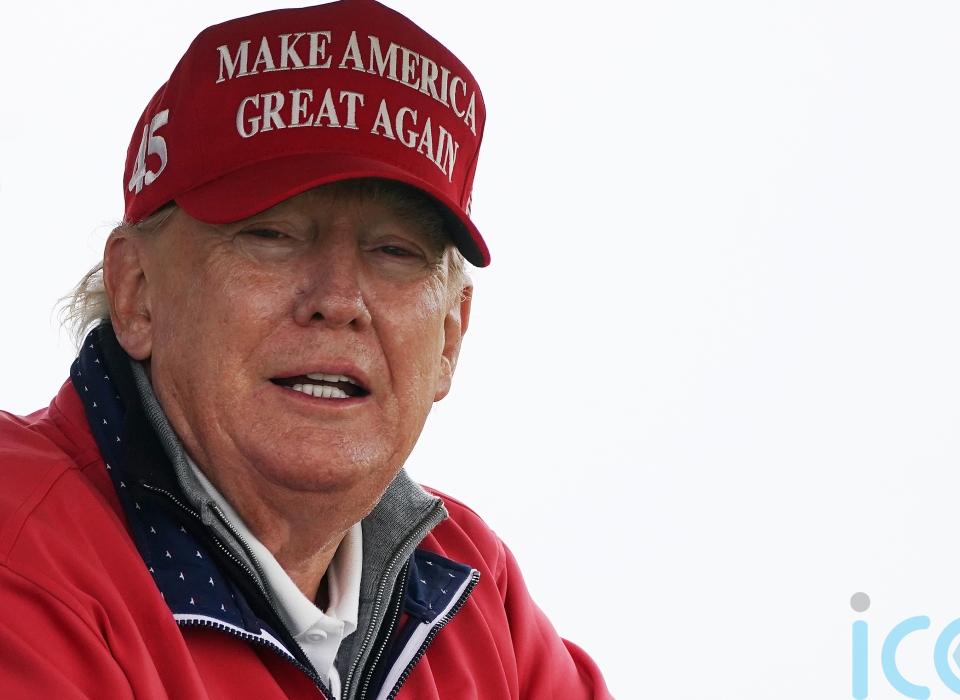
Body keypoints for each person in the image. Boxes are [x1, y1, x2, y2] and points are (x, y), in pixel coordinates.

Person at [0, 1, 611, 698]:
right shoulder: (20, 554)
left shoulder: (473, 592)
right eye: (273, 235)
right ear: (137, 292)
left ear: (450, 335)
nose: (339, 299)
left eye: (394, 251)